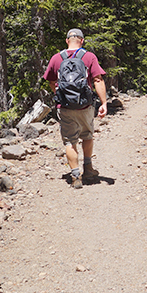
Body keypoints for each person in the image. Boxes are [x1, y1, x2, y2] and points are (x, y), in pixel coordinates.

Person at [43, 28, 108, 189]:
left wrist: (60, 94)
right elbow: (98, 80)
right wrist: (104, 102)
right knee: (87, 135)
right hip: (85, 105)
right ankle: (88, 169)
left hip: (64, 106)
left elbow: (51, 81)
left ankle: (75, 175)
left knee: (69, 141)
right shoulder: (89, 57)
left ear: (67, 41)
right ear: (82, 41)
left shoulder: (56, 58)